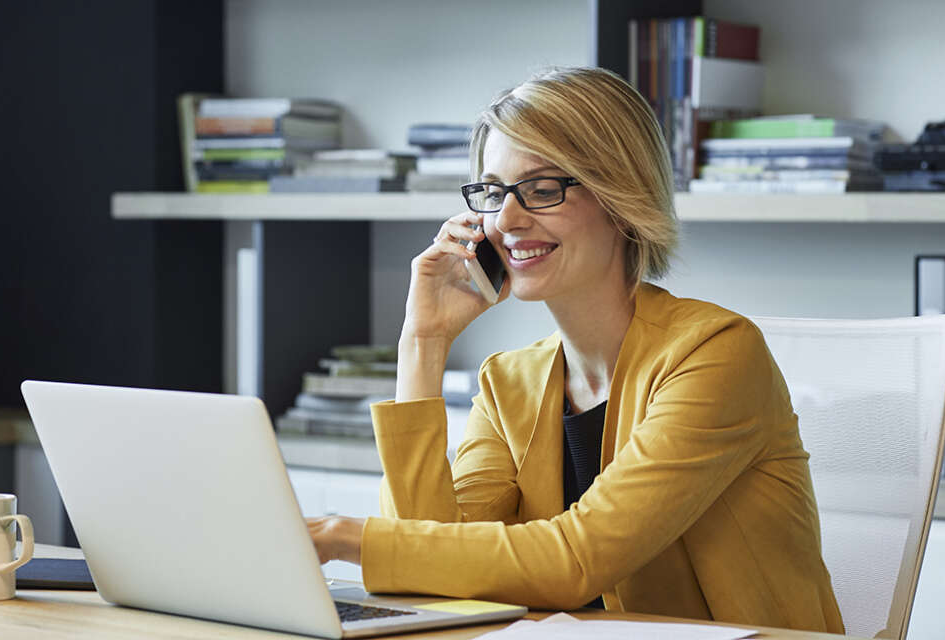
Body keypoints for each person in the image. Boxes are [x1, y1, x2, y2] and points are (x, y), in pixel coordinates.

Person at [305, 66, 844, 634]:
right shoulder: (508, 382)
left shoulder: (716, 354)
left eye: (541, 190)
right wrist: (423, 342)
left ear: (620, 197)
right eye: (493, 192)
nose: (506, 220)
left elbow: (575, 559)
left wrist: (344, 536)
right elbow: (427, 569)